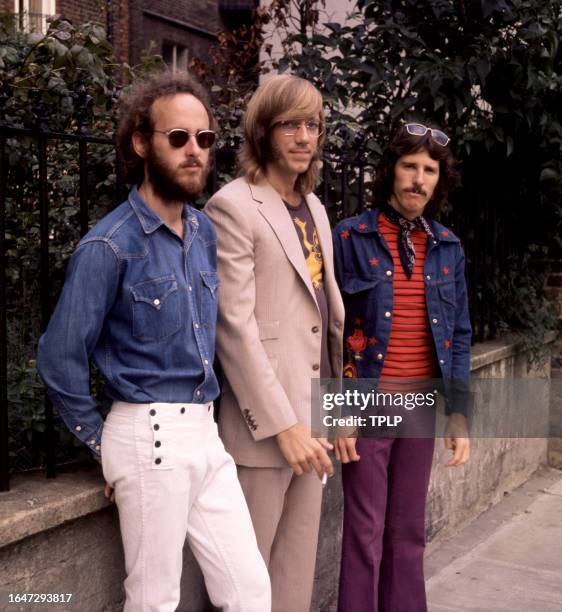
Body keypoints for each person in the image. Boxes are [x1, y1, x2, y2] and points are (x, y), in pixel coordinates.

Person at [36, 71, 270, 612]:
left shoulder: (203, 232)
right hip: (149, 436)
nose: (195, 151)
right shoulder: (110, 246)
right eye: (178, 138)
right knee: (153, 600)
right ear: (142, 143)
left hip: (205, 435)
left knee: (249, 590)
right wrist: (103, 445)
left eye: (205, 139)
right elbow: (58, 355)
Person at [204, 74, 345, 612]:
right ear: (263, 132)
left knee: (294, 573)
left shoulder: (317, 211)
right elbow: (234, 328)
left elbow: (327, 323)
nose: (305, 136)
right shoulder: (234, 206)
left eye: (313, 125)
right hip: (264, 432)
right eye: (291, 124)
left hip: (314, 426)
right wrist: (284, 426)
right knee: (246, 580)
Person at [333, 122, 471, 612]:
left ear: (439, 181)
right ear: (390, 170)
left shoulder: (447, 246)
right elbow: (333, 332)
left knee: (408, 530)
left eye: (429, 170)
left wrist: (458, 414)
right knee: (365, 530)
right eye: (409, 165)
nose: (418, 178)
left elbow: (458, 336)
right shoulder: (349, 236)